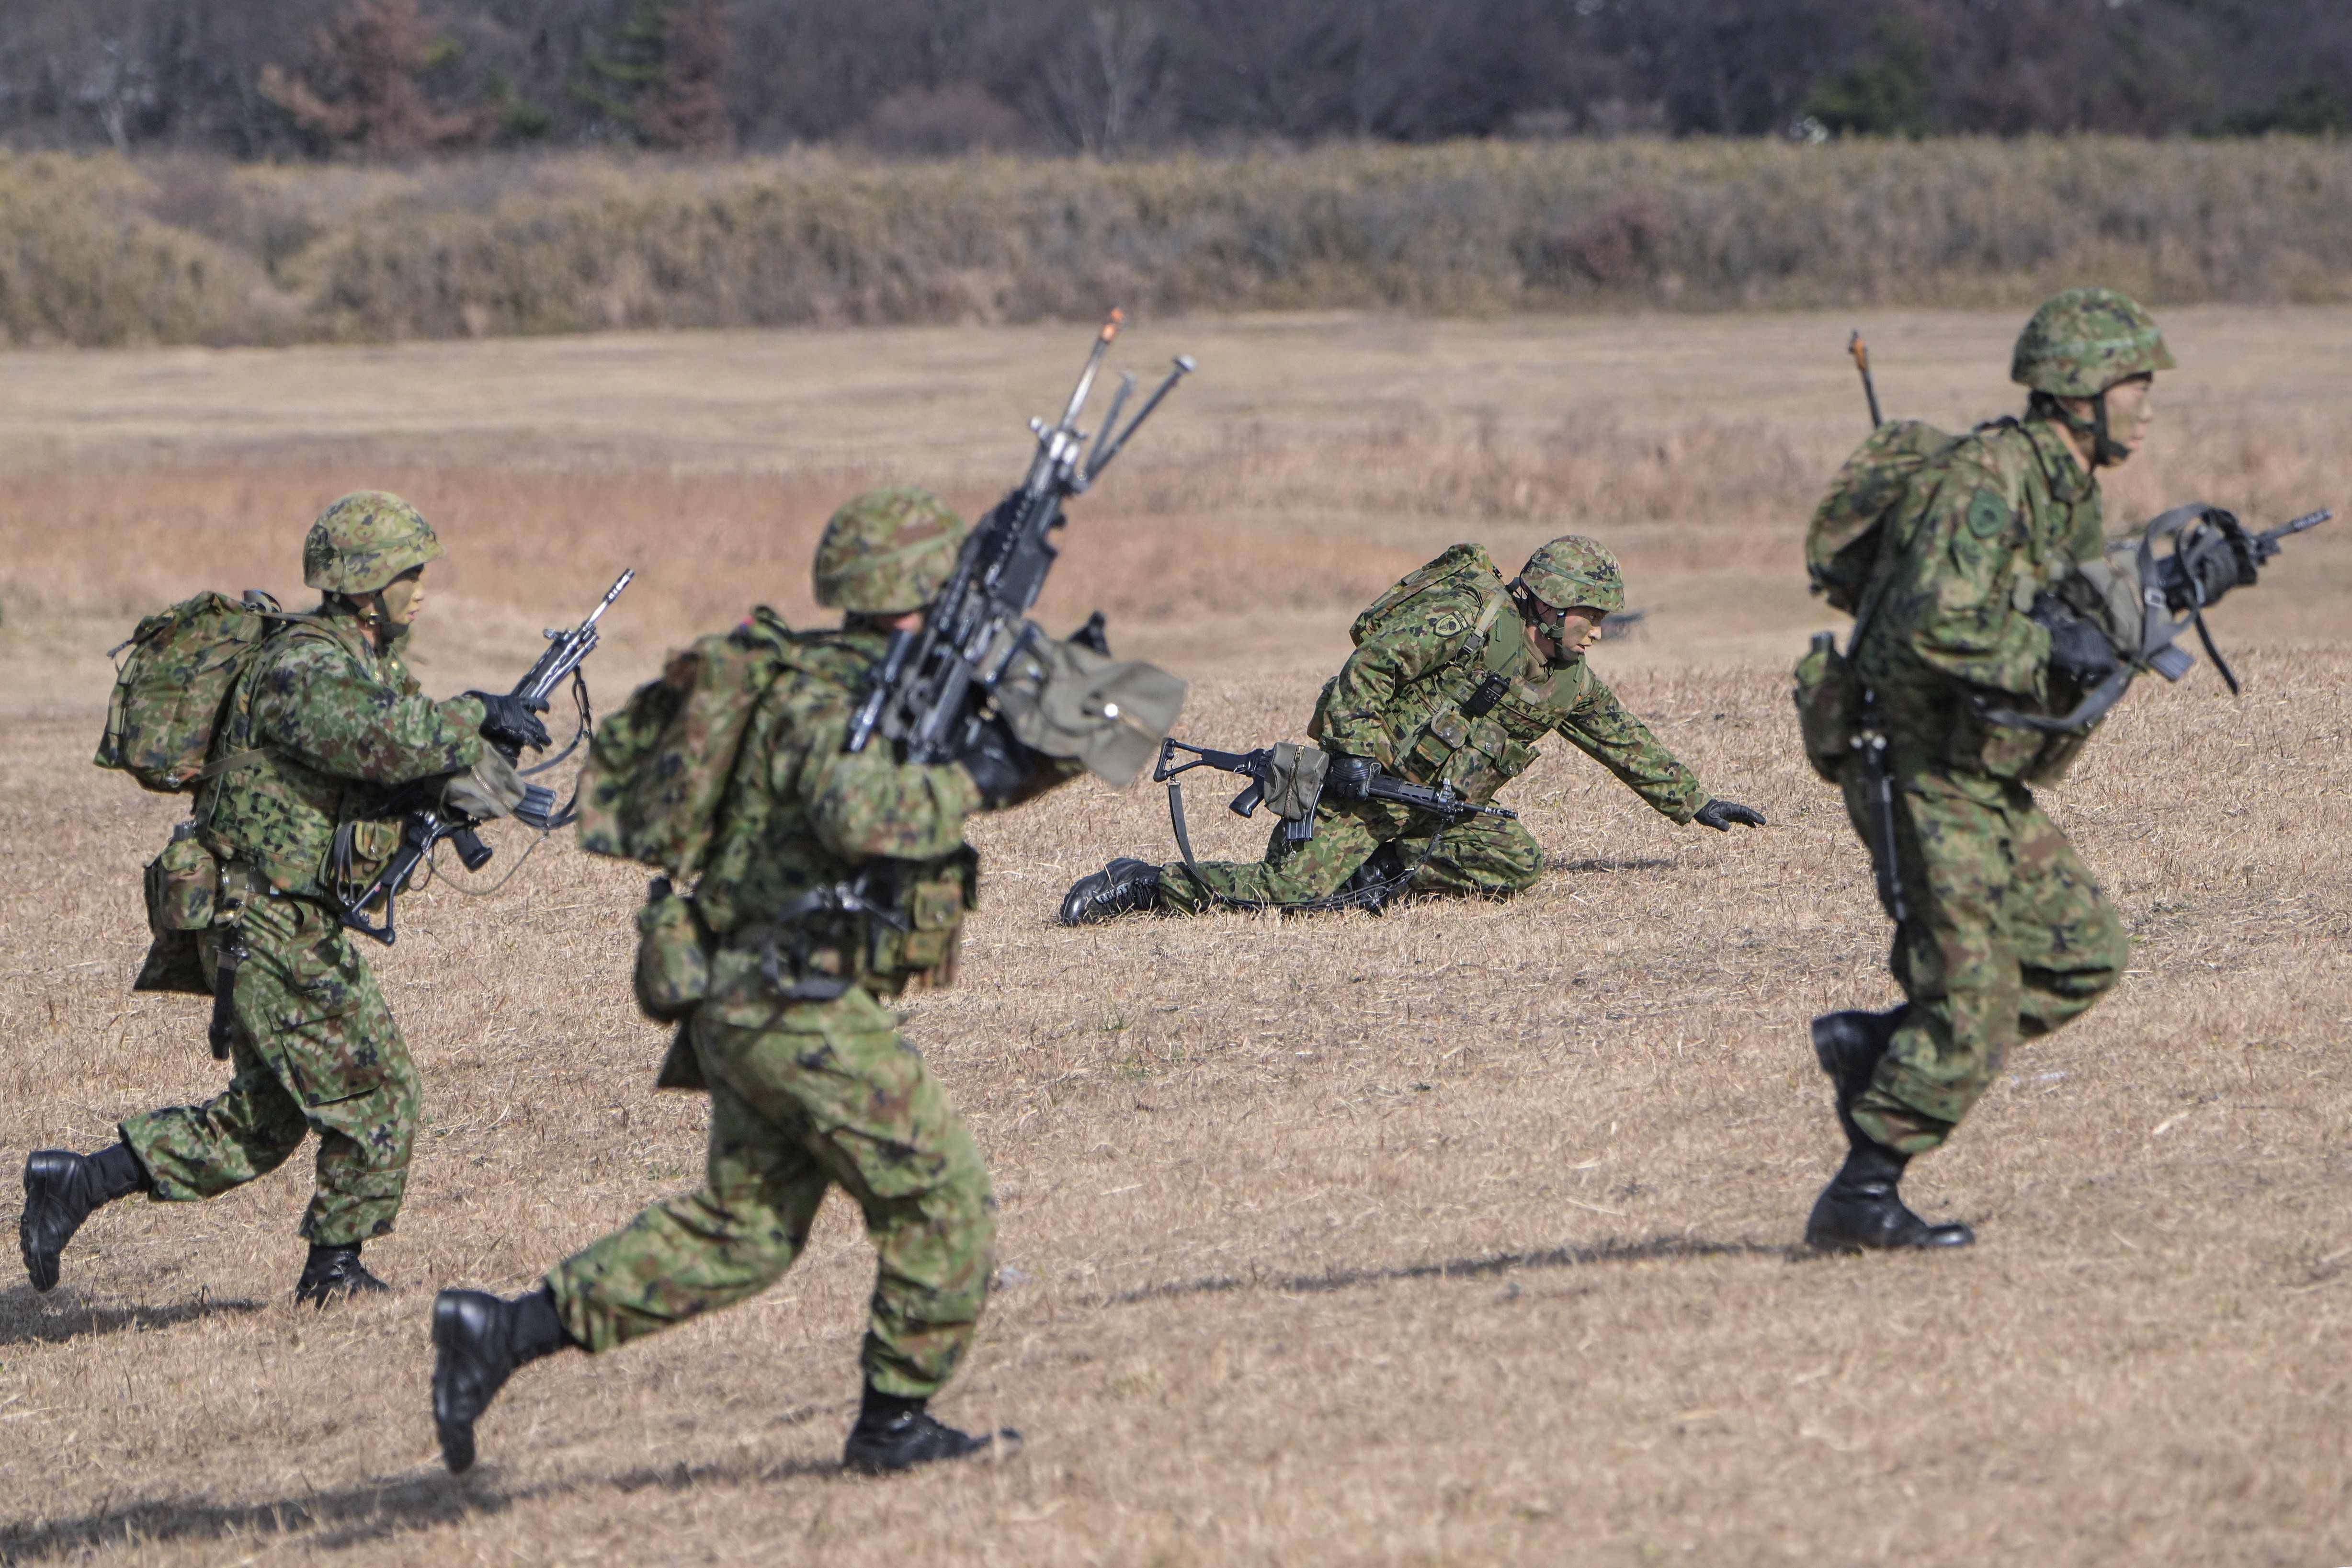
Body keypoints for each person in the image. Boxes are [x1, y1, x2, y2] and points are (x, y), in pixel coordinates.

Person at [429, 488, 1067, 1477]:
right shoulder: (833, 699)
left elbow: (942, 773)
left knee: (743, 1232)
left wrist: (1033, 740)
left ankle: (501, 1330)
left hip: (752, 994)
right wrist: (974, 779)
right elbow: (860, 811)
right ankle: (893, 1426)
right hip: (790, 1000)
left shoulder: (858, 678)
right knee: (942, 1200)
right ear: (921, 589)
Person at [18, 491, 543, 1305]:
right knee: (377, 1091)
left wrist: (482, 756)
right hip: (256, 914)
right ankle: (333, 1275)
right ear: (366, 587)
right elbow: (389, 737)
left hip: (275, 912)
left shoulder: (357, 662)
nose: (423, 590)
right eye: (410, 573)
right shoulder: (308, 668)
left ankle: (76, 1182)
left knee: (261, 1123)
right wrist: (478, 712)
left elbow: (390, 760)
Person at [1804, 288, 2167, 1251]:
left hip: (1978, 767)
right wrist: (2047, 650)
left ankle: (1877, 1048)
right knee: (1969, 1004)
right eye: (2134, 382)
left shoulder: (2065, 489)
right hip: (1916, 766)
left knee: (2082, 951)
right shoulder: (1990, 480)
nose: (2145, 402)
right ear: (2080, 389)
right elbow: (1932, 628)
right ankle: (1860, 1196)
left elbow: (2071, 614)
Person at [1057, 535, 1762, 922]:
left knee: (1516, 859)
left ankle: (1377, 873)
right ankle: (1150, 885)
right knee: (1291, 894)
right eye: (1592, 617)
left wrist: (1693, 800)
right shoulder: (1469, 619)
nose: (1600, 633)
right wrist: (1360, 755)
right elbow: (1369, 669)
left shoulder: (1568, 680)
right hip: (1360, 792)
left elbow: (1620, 737)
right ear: (1550, 606)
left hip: (1430, 812)